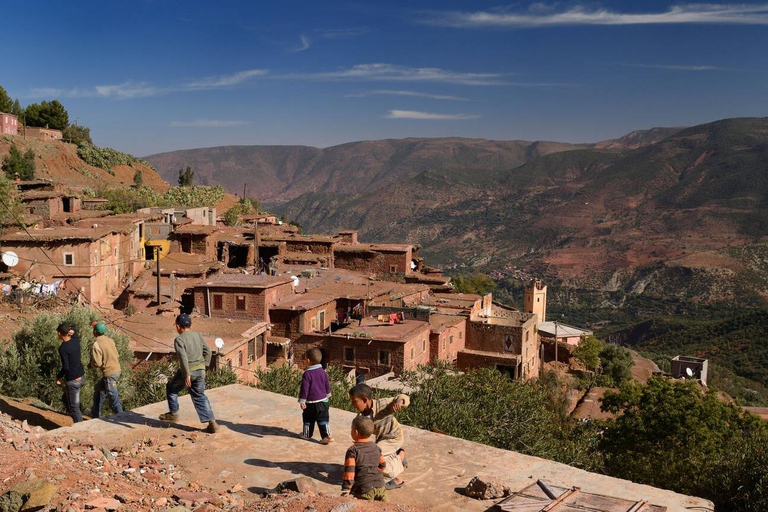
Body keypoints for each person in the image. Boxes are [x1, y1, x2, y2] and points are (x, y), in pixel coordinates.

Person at [159, 314, 218, 434]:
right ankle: (212, 422)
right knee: (199, 395)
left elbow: (183, 357)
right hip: (201, 370)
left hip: (188, 371)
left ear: (178, 326)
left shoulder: (179, 340)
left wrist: (187, 374)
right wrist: (204, 366)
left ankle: (173, 414)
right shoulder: (197, 335)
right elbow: (208, 351)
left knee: (171, 387)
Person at [348, 383, 409, 490]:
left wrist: (400, 402)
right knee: (371, 457)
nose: (352, 404)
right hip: (381, 440)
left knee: (375, 459)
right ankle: (395, 455)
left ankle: (398, 472)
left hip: (394, 438)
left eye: (354, 401)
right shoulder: (361, 417)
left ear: (364, 400)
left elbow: (403, 397)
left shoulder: (383, 404)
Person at [341, 415, 388, 501]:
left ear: (355, 432)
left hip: (364, 489)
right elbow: (383, 465)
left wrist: (346, 490)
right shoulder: (375, 447)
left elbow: (349, 472)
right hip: (381, 486)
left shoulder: (352, 451)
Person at [298, 348, 333, 444]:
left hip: (311, 404)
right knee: (323, 419)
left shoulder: (307, 374)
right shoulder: (323, 372)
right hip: (323, 402)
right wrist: (327, 395)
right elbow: (327, 385)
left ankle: (307, 435)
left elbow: (304, 389)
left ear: (308, 360)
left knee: (308, 419)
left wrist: (302, 401)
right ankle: (327, 436)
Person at [89, 322, 123, 418]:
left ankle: (121, 416)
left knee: (113, 398)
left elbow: (97, 363)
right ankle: (95, 415)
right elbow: (117, 354)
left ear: (94, 332)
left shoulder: (96, 344)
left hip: (109, 373)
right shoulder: (110, 340)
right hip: (117, 369)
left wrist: (91, 364)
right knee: (99, 389)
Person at [55, 323, 85, 423]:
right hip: (81, 375)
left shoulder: (63, 348)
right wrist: (72, 329)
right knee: (70, 401)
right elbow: (75, 331)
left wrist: (58, 377)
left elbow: (66, 367)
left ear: (59, 333)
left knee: (74, 408)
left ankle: (80, 428)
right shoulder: (76, 341)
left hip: (73, 380)